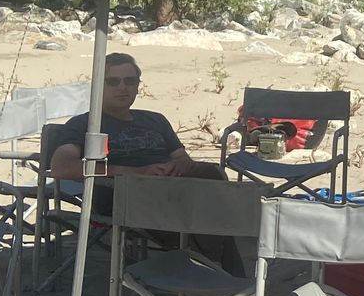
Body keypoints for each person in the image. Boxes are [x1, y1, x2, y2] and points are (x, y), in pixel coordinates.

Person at [46, 52, 241, 273]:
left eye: (130, 81)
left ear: (138, 85)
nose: (123, 87)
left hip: (174, 188)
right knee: (213, 215)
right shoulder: (84, 124)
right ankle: (217, 275)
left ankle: (211, 272)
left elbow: (181, 158)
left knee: (211, 176)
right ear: (98, 86)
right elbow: (61, 167)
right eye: (113, 81)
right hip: (123, 195)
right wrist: (135, 172)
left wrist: (179, 166)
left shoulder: (155, 120)